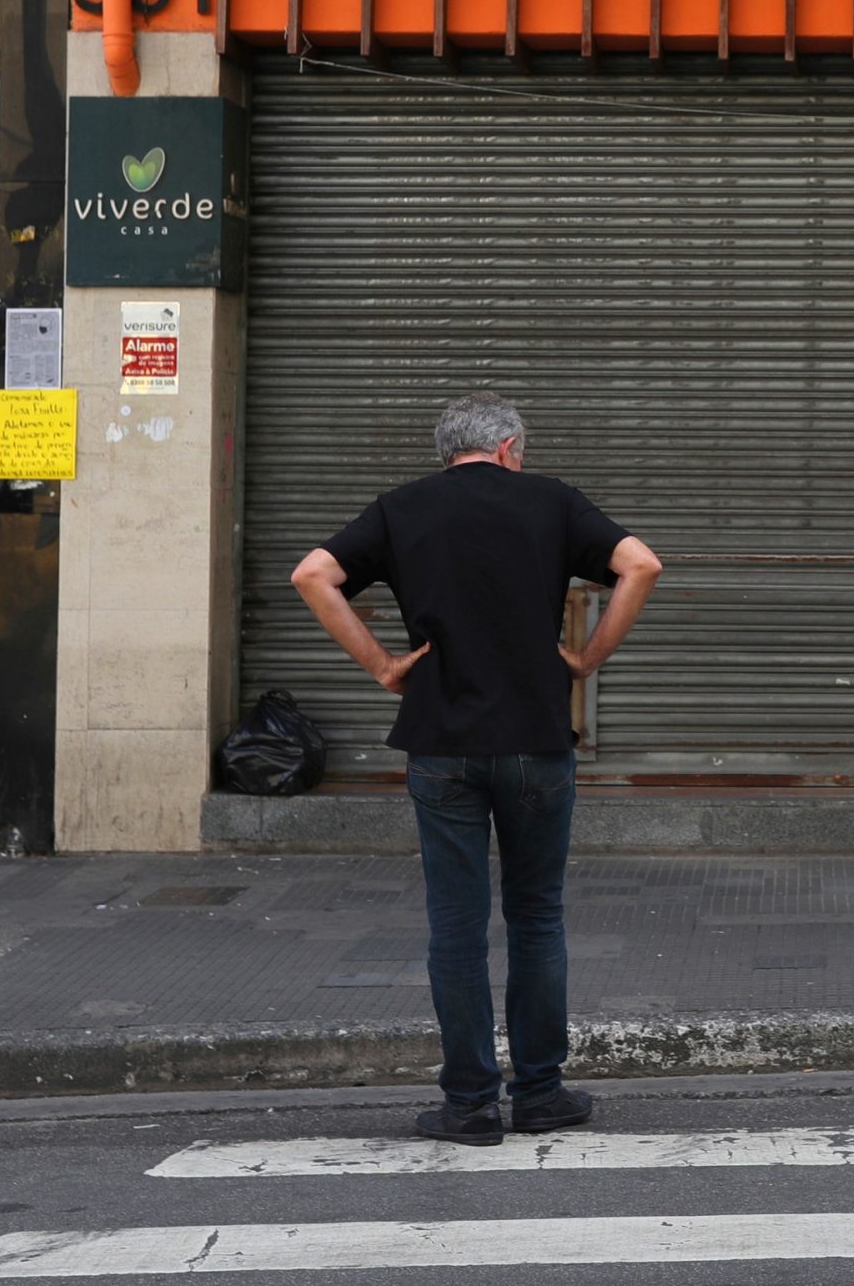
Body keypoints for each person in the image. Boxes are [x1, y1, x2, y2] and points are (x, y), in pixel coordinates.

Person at [291, 392, 662, 1146]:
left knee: (455, 927)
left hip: (442, 742)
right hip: (535, 741)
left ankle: (468, 1104)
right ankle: (540, 1092)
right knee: (537, 916)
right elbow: (640, 564)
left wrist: (385, 666)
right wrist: (586, 661)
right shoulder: (551, 501)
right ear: (508, 447)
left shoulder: (402, 508)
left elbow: (312, 575)